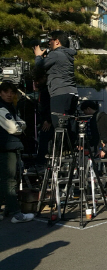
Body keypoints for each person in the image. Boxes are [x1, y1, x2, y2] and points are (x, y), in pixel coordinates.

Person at [0, 82, 35, 223]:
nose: (9, 94)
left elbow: (20, 123)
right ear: (0, 92)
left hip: (7, 146)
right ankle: (16, 213)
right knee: (10, 181)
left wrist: (19, 125)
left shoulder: (9, 107)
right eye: (6, 91)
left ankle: (8, 209)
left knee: (5, 180)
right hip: (6, 147)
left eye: (12, 92)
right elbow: (14, 128)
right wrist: (19, 125)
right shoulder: (2, 107)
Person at [33, 31, 78, 124]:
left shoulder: (56, 54)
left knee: (58, 125)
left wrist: (38, 56)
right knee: (69, 126)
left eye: (51, 40)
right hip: (72, 93)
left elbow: (39, 66)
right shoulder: (67, 55)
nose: (49, 43)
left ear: (57, 41)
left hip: (59, 93)